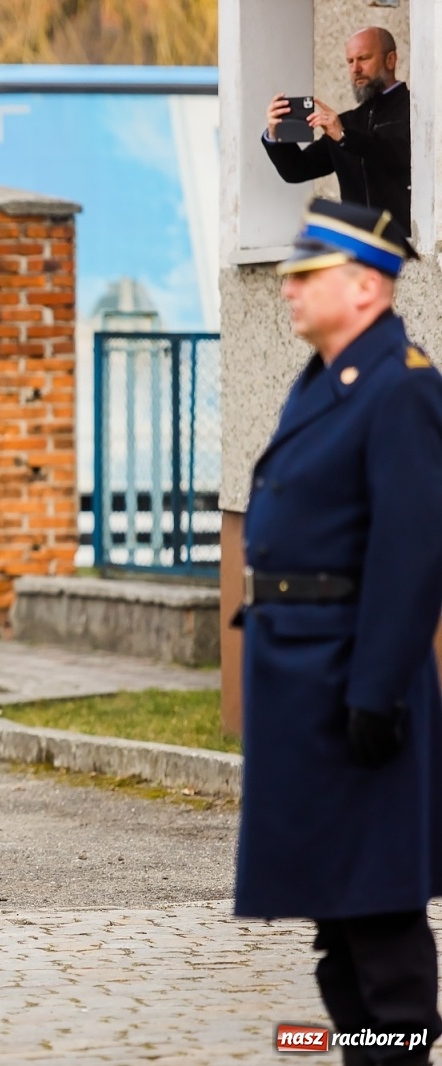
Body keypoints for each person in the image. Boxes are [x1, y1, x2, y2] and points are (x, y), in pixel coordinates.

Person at [238, 199, 442, 1064]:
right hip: (301, 674)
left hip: (355, 678)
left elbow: (412, 551)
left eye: (306, 276)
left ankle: (393, 1052)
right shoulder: (325, 375)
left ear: (365, 286)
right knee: (336, 907)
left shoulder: (401, 383)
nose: (288, 289)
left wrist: (375, 692)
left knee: (379, 906)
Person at [263, 27, 411, 232]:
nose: (355, 68)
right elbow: (296, 170)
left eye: (364, 58)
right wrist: (275, 133)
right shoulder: (346, 122)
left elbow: (398, 154)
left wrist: (343, 137)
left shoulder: (415, 109)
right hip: (359, 247)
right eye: (350, 61)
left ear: (391, 60)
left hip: (407, 245)